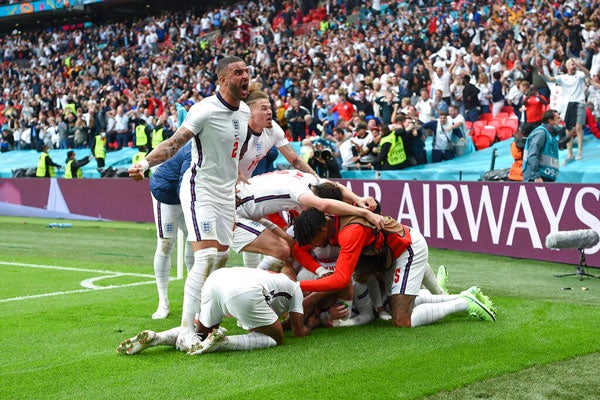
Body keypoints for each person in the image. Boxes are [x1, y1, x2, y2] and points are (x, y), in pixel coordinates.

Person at [128, 56, 250, 354]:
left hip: (225, 195)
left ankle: (204, 323)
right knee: (206, 256)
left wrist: (236, 178)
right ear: (222, 80)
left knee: (220, 261)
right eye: (238, 72)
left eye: (247, 71)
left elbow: (236, 149)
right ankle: (185, 330)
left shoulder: (244, 111)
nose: (245, 76)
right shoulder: (204, 109)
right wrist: (144, 162)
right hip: (201, 190)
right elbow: (173, 143)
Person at [293, 208, 496, 328]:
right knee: (397, 305)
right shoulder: (333, 218)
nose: (314, 246)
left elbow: (340, 279)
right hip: (393, 254)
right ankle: (464, 294)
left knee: (402, 319)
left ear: (322, 228)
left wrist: (297, 285)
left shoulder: (349, 232)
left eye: (312, 240)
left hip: (406, 250)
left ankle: (463, 303)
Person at [117, 267, 312, 355]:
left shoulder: (271, 276)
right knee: (276, 339)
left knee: (200, 334)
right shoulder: (296, 289)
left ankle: (157, 337)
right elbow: (298, 331)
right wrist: (314, 322)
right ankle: (224, 343)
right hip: (243, 290)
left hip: (217, 278)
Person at [234, 170, 383, 274]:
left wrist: (357, 198)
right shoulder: (301, 192)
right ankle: (251, 292)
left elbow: (336, 186)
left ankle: (267, 287)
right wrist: (364, 213)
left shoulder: (312, 181)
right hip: (232, 210)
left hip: (245, 205)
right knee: (280, 249)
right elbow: (324, 205)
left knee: (291, 247)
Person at [148, 141, 194, 319]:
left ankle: (193, 298)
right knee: (166, 243)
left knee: (194, 239)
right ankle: (163, 302)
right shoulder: (194, 148)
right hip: (165, 189)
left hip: (187, 191)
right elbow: (186, 180)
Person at [542, 58, 590, 162]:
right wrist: (542, 74)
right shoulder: (562, 77)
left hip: (580, 103)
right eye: (572, 64)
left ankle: (580, 152)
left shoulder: (580, 74)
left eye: (575, 64)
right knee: (568, 129)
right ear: (567, 66)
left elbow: (588, 75)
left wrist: (580, 66)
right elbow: (549, 79)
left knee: (578, 127)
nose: (574, 66)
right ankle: (570, 153)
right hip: (568, 105)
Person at [522, 110, 562, 183]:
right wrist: (536, 176)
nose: (561, 119)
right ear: (550, 120)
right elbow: (532, 155)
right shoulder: (541, 133)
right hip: (537, 178)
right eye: (558, 118)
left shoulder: (551, 135)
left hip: (546, 177)